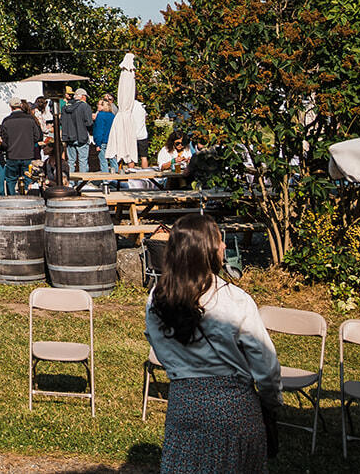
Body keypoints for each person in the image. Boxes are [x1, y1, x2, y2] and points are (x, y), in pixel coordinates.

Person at [146, 214, 281, 473]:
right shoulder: (235, 299)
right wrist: (271, 402)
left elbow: (158, 344)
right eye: (219, 240)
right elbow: (266, 366)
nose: (224, 246)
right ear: (205, 250)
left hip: (184, 403)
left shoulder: (157, 298)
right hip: (235, 409)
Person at [2, 99, 42, 194]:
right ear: (21, 105)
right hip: (28, 154)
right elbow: (38, 136)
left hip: (12, 155)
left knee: (11, 180)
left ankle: (12, 201)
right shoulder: (30, 119)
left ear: (10, 107)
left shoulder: (6, 121)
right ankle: (28, 199)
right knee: (28, 179)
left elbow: (4, 139)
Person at [60, 88, 94, 175]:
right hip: (81, 136)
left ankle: (70, 181)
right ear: (82, 96)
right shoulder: (85, 106)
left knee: (71, 161)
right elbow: (89, 123)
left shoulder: (65, 107)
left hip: (69, 137)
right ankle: (82, 182)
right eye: (85, 96)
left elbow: (61, 121)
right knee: (83, 160)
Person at [92, 95, 117, 172]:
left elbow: (99, 130)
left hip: (102, 141)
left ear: (103, 106)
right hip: (112, 141)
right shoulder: (112, 115)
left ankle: (105, 180)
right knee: (113, 160)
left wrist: (98, 143)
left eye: (99, 104)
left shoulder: (100, 115)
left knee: (103, 161)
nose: (97, 106)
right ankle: (115, 178)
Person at [133, 97, 152, 167]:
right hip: (142, 134)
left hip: (131, 135)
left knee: (130, 159)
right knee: (144, 157)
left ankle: (130, 177)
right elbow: (145, 117)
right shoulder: (141, 106)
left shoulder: (127, 106)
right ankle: (145, 175)